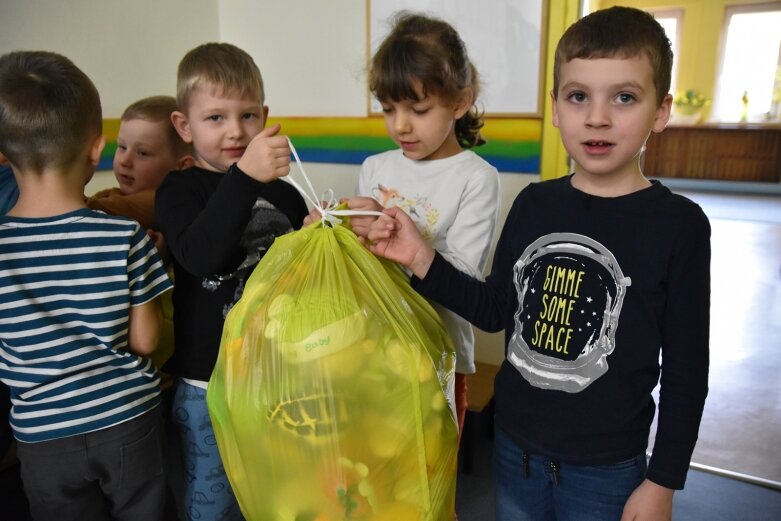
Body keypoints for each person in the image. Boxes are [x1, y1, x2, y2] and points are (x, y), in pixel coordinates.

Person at [366, 6, 710, 521]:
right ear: (555, 107)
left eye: (624, 97)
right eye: (578, 97)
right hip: (516, 451)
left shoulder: (680, 226)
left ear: (660, 110)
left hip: (607, 468)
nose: (597, 117)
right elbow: (495, 310)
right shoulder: (532, 203)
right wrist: (418, 255)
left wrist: (663, 480)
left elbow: (687, 370)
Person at [0, 50, 174, 520]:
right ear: (96, 148)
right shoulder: (124, 236)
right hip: (127, 419)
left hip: (41, 435)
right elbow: (146, 340)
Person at [309, 11, 500, 437]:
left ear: (460, 101)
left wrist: (406, 244)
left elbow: (465, 286)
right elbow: (359, 269)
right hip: (373, 349)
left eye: (418, 108)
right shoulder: (375, 167)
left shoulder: (475, 178)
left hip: (438, 357)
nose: (400, 125)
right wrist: (336, 229)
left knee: (427, 478)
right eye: (388, 109)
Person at [155, 42, 308, 521]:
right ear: (185, 126)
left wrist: (318, 231)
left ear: (264, 116)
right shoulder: (180, 190)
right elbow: (201, 256)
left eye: (247, 116)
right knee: (213, 500)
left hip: (279, 377)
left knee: (279, 494)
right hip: (208, 384)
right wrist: (244, 177)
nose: (236, 131)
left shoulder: (284, 192)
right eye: (215, 118)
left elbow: (300, 276)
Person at [87, 95, 192, 233]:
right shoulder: (118, 195)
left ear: (183, 167)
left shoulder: (166, 202)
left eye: (142, 153)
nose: (125, 161)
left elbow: (91, 208)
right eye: (122, 147)